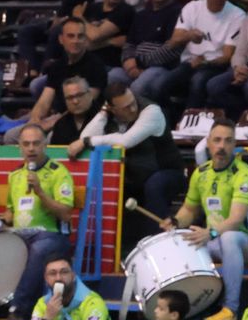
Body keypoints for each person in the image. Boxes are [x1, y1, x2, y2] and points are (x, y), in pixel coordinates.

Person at [167, 119, 248, 320]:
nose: (221, 146)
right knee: (183, 241)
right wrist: (175, 222)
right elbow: (190, 210)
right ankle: (186, 309)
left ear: (234, 144)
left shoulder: (244, 174)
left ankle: (230, 310)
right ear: (208, 143)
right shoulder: (201, 173)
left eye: (228, 141)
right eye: (217, 140)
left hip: (246, 242)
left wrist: (211, 232)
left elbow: (236, 220)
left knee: (228, 238)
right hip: (215, 239)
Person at [75, 81, 185, 249]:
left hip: (168, 172)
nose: (132, 109)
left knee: (154, 185)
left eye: (133, 102)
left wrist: (88, 141)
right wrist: (103, 114)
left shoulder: (152, 111)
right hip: (134, 176)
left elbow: (125, 141)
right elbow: (84, 136)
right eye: (125, 107)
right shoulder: (109, 115)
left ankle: (156, 246)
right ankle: (112, 249)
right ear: (112, 109)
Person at [133, 0, 244, 107]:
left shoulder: (237, 15)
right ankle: (169, 121)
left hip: (215, 66)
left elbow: (227, 57)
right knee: (158, 86)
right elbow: (174, 41)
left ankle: (190, 123)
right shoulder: (192, 7)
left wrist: (205, 63)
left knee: (198, 81)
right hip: (189, 63)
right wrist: (189, 35)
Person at [5, 123, 79, 319]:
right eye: (26, 144)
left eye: (36, 143)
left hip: (51, 235)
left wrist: (40, 192)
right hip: (21, 235)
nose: (31, 148)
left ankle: (18, 308)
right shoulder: (14, 175)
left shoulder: (58, 172)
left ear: (45, 145)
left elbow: (65, 214)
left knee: (38, 250)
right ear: (19, 147)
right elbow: (10, 212)